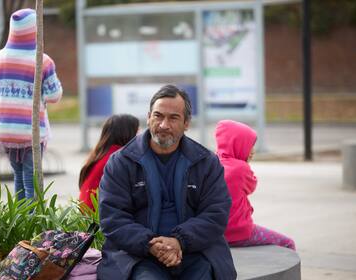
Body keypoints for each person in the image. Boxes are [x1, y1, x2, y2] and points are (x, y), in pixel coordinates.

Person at [98, 85, 236, 280]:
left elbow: (216, 214)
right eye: (158, 116)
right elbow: (112, 217)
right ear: (148, 117)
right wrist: (151, 245)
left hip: (196, 252)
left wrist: (179, 241)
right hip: (137, 256)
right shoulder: (122, 162)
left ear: (187, 123)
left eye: (173, 118)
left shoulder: (205, 162)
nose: (163, 125)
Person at [0, 8, 62, 200]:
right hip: (31, 131)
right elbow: (55, 95)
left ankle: (18, 220)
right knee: (31, 178)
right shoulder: (43, 61)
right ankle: (31, 224)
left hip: (6, 130)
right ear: (35, 31)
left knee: (18, 175)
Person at [214, 120, 296, 250]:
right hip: (240, 233)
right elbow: (251, 186)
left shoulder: (212, 164)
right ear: (237, 144)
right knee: (288, 243)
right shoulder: (240, 168)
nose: (252, 151)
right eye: (248, 146)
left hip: (215, 234)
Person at [79, 114, 140, 209]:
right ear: (127, 134)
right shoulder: (119, 159)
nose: (140, 138)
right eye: (137, 133)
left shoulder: (102, 154)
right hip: (98, 218)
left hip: (87, 216)